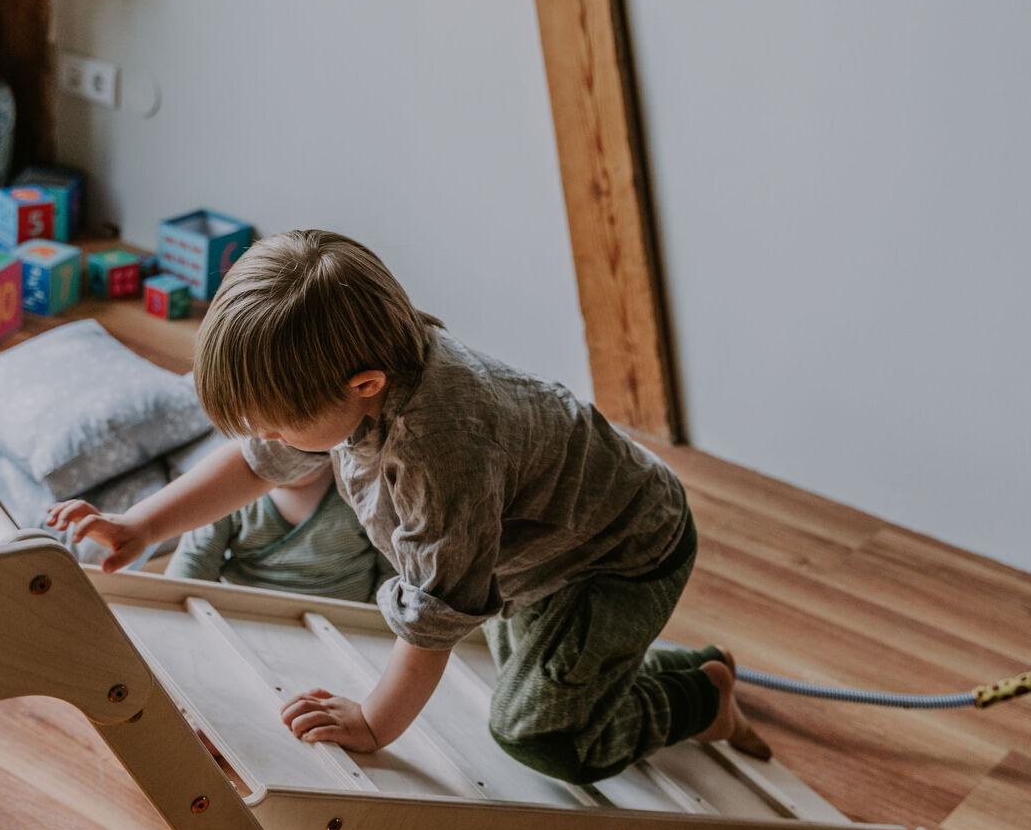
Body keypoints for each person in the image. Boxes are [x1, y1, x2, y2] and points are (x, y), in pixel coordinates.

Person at [44, 230, 768, 784]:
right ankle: (684, 673)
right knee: (539, 677)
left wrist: (373, 724)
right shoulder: (361, 374)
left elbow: (437, 613)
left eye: (277, 423)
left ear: (363, 384)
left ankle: (702, 701)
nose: (269, 440)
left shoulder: (438, 453)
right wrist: (142, 524)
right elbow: (257, 464)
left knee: (539, 737)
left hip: (616, 554)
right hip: (542, 549)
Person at [162, 463, 391, 602]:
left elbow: (393, 571)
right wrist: (173, 605)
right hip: (244, 615)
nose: (272, 466)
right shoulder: (228, 493)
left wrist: (371, 619)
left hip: (344, 621)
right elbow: (195, 559)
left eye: (289, 448)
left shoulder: (362, 493)